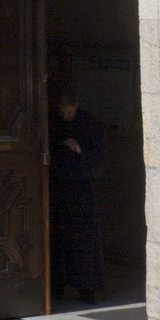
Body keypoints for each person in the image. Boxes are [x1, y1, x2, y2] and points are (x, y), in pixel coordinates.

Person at [50, 91, 107, 302]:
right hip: (59, 189)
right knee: (59, 238)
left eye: (69, 111)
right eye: (63, 112)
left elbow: (99, 158)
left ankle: (87, 288)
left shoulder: (89, 124)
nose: (66, 116)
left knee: (85, 239)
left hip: (83, 190)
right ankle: (57, 285)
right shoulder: (53, 123)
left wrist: (80, 150)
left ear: (76, 106)